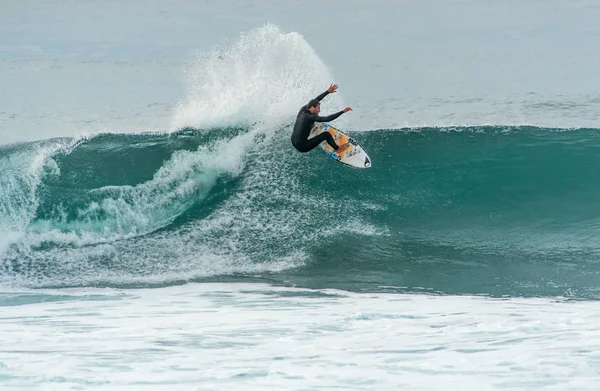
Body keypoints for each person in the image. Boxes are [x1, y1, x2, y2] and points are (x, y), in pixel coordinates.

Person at [291, 84, 352, 154]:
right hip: (302, 147)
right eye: (318, 108)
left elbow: (316, 100)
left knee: (309, 121)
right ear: (312, 107)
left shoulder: (303, 109)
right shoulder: (310, 117)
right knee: (326, 135)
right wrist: (342, 111)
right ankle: (337, 149)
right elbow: (327, 119)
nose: (319, 110)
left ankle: (310, 128)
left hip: (293, 141)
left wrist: (328, 91)